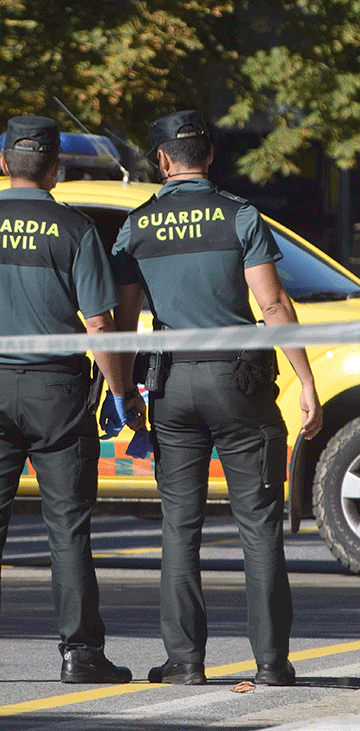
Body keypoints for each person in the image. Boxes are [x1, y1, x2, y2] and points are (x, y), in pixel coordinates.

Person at [0, 115, 142, 685]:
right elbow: (99, 323)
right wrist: (121, 393)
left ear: (1, 164)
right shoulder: (75, 230)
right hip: (58, 393)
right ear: (55, 169)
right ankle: (80, 655)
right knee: (67, 525)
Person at [111, 110, 323, 687]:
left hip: (172, 384)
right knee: (257, 525)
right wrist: (305, 381)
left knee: (179, 526)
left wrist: (124, 391)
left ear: (160, 161)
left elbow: (126, 319)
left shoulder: (137, 226)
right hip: (240, 386)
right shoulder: (241, 216)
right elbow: (273, 305)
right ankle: (272, 663)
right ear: (210, 155)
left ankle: (184, 662)